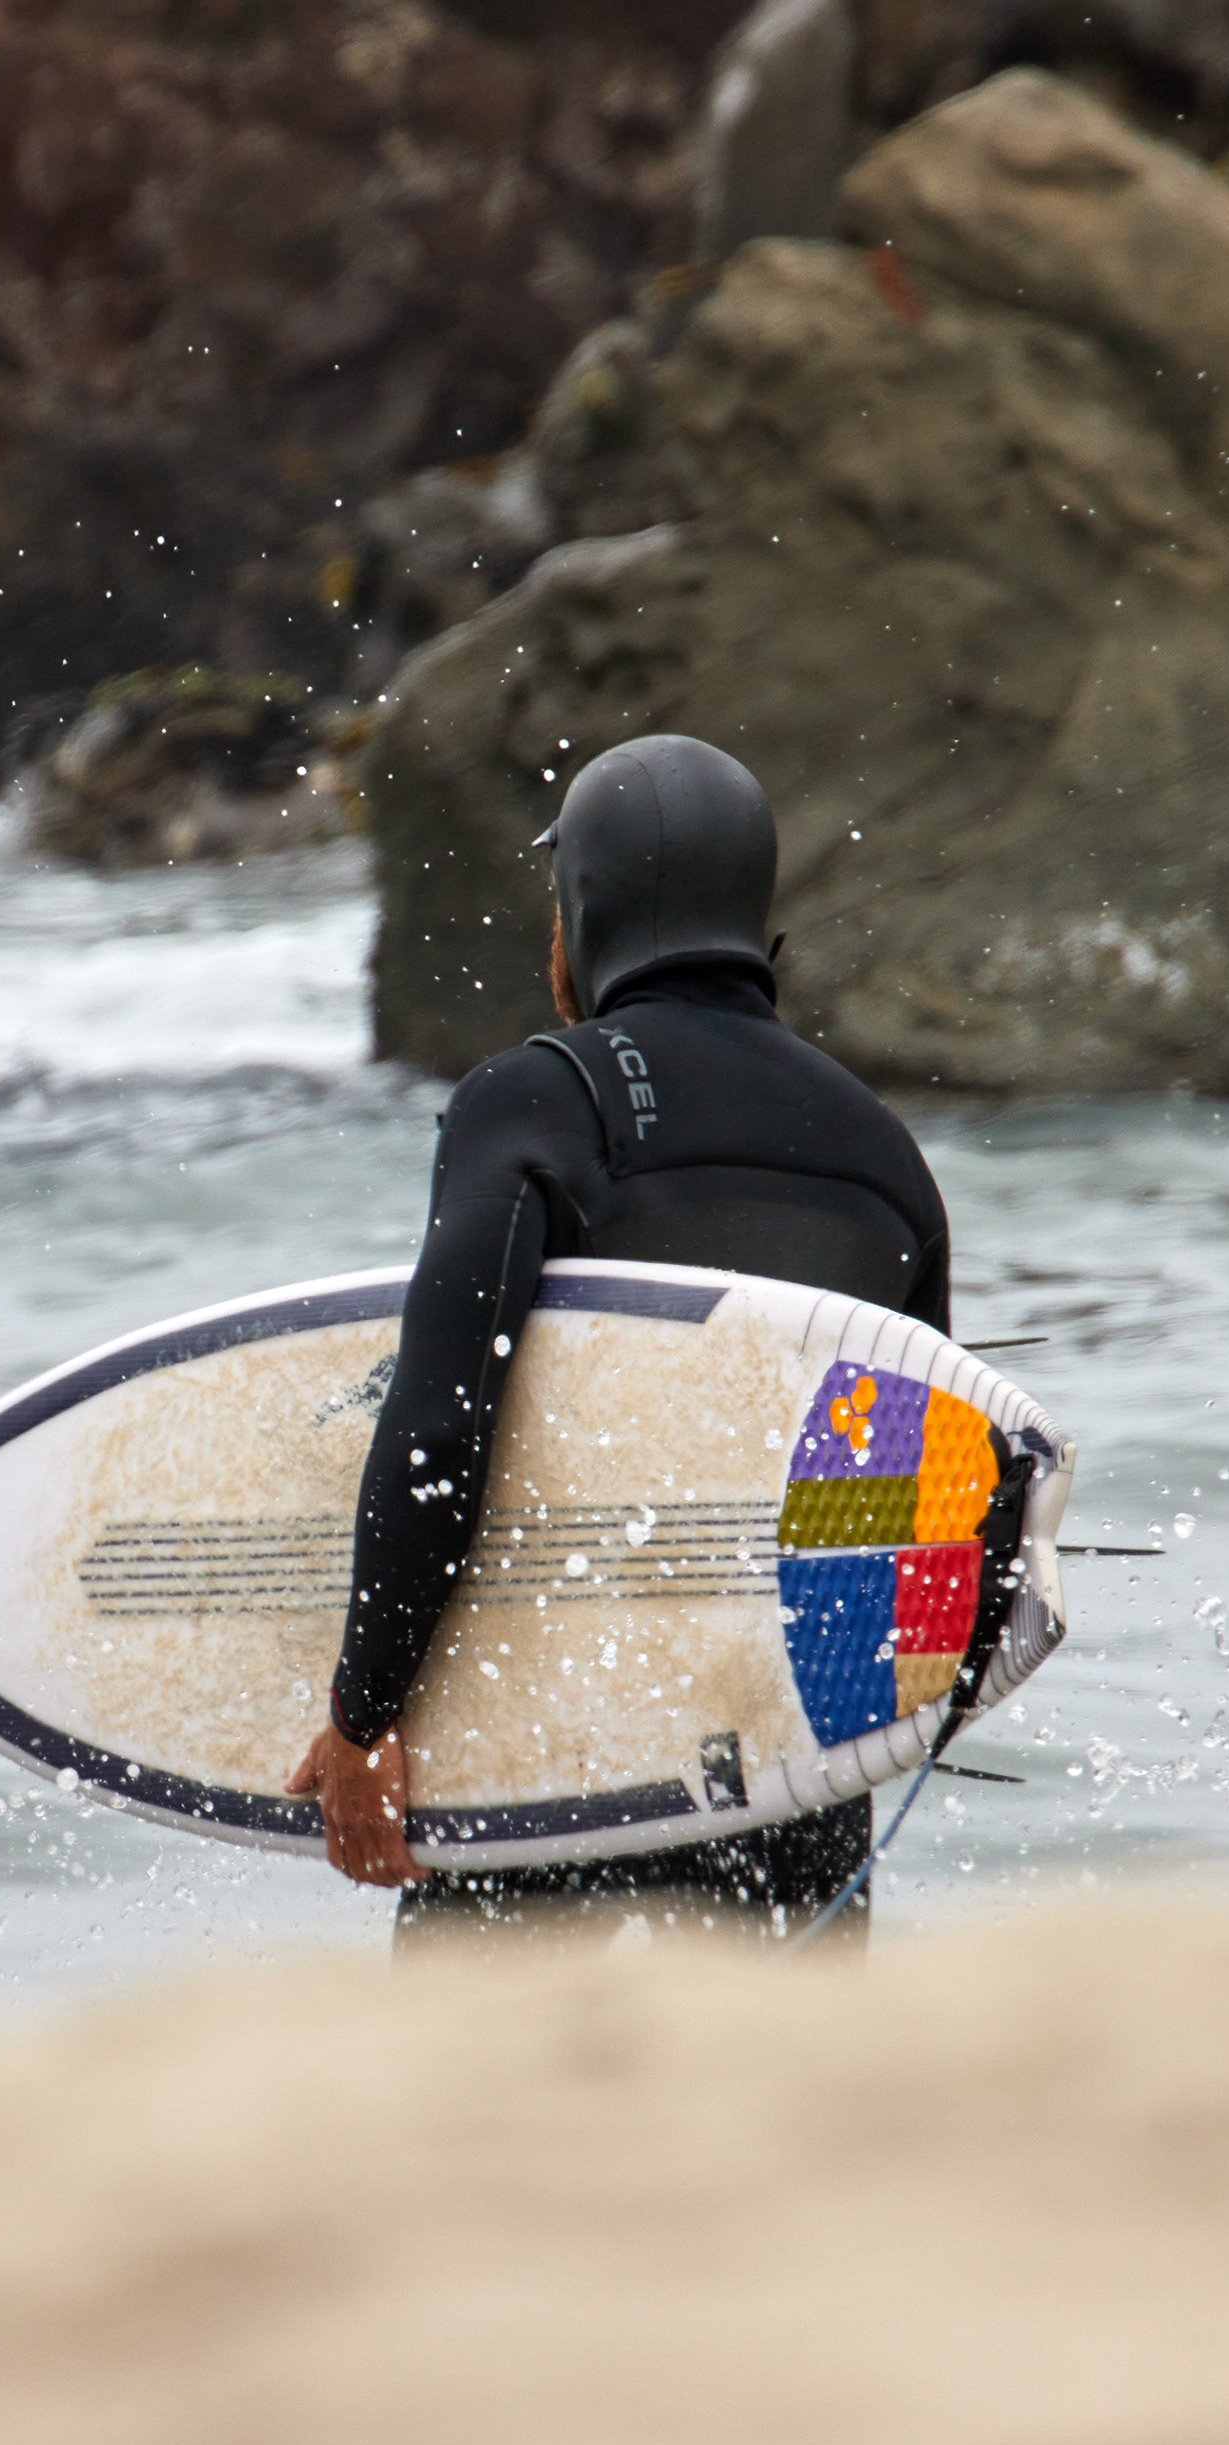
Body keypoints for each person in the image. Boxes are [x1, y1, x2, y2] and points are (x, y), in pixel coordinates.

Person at [284, 734, 957, 1952]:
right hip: (794, 1768)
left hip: (561, 1749)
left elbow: (442, 1427)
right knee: (788, 2124)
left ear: (583, 911)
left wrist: (363, 1712)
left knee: (489, 2128)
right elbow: (916, 1499)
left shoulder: (539, 1099)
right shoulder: (885, 1156)